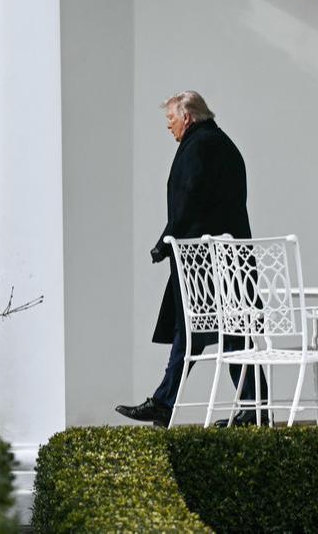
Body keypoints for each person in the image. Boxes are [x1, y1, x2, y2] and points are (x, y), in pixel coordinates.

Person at [115, 91, 264, 427]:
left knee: (202, 329)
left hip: (205, 259)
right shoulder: (219, 143)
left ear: (188, 116)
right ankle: (252, 411)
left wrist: (166, 241)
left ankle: (167, 403)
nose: (169, 127)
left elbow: (189, 197)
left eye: (171, 119)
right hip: (225, 257)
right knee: (229, 333)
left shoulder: (201, 146)